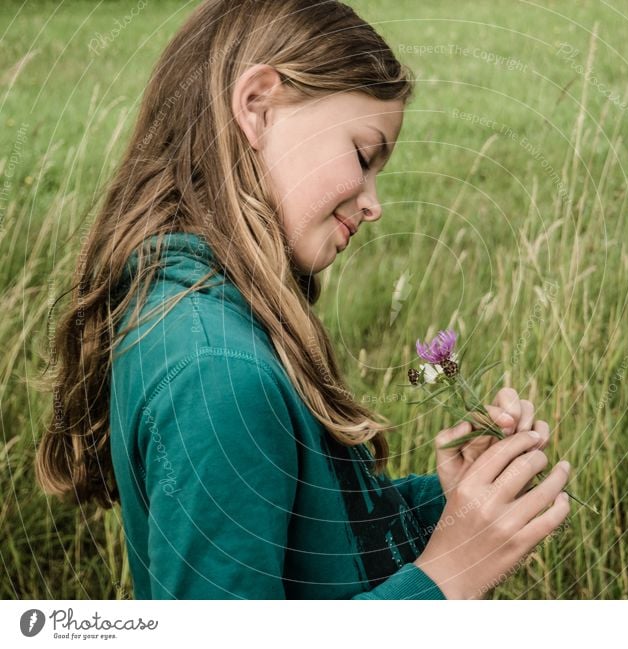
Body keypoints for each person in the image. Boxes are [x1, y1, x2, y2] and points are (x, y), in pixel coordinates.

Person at [36, 0, 571, 599]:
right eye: (364, 157)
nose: (374, 203)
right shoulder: (219, 373)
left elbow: (312, 548)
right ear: (258, 106)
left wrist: (446, 507)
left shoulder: (195, 306)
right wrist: (447, 580)